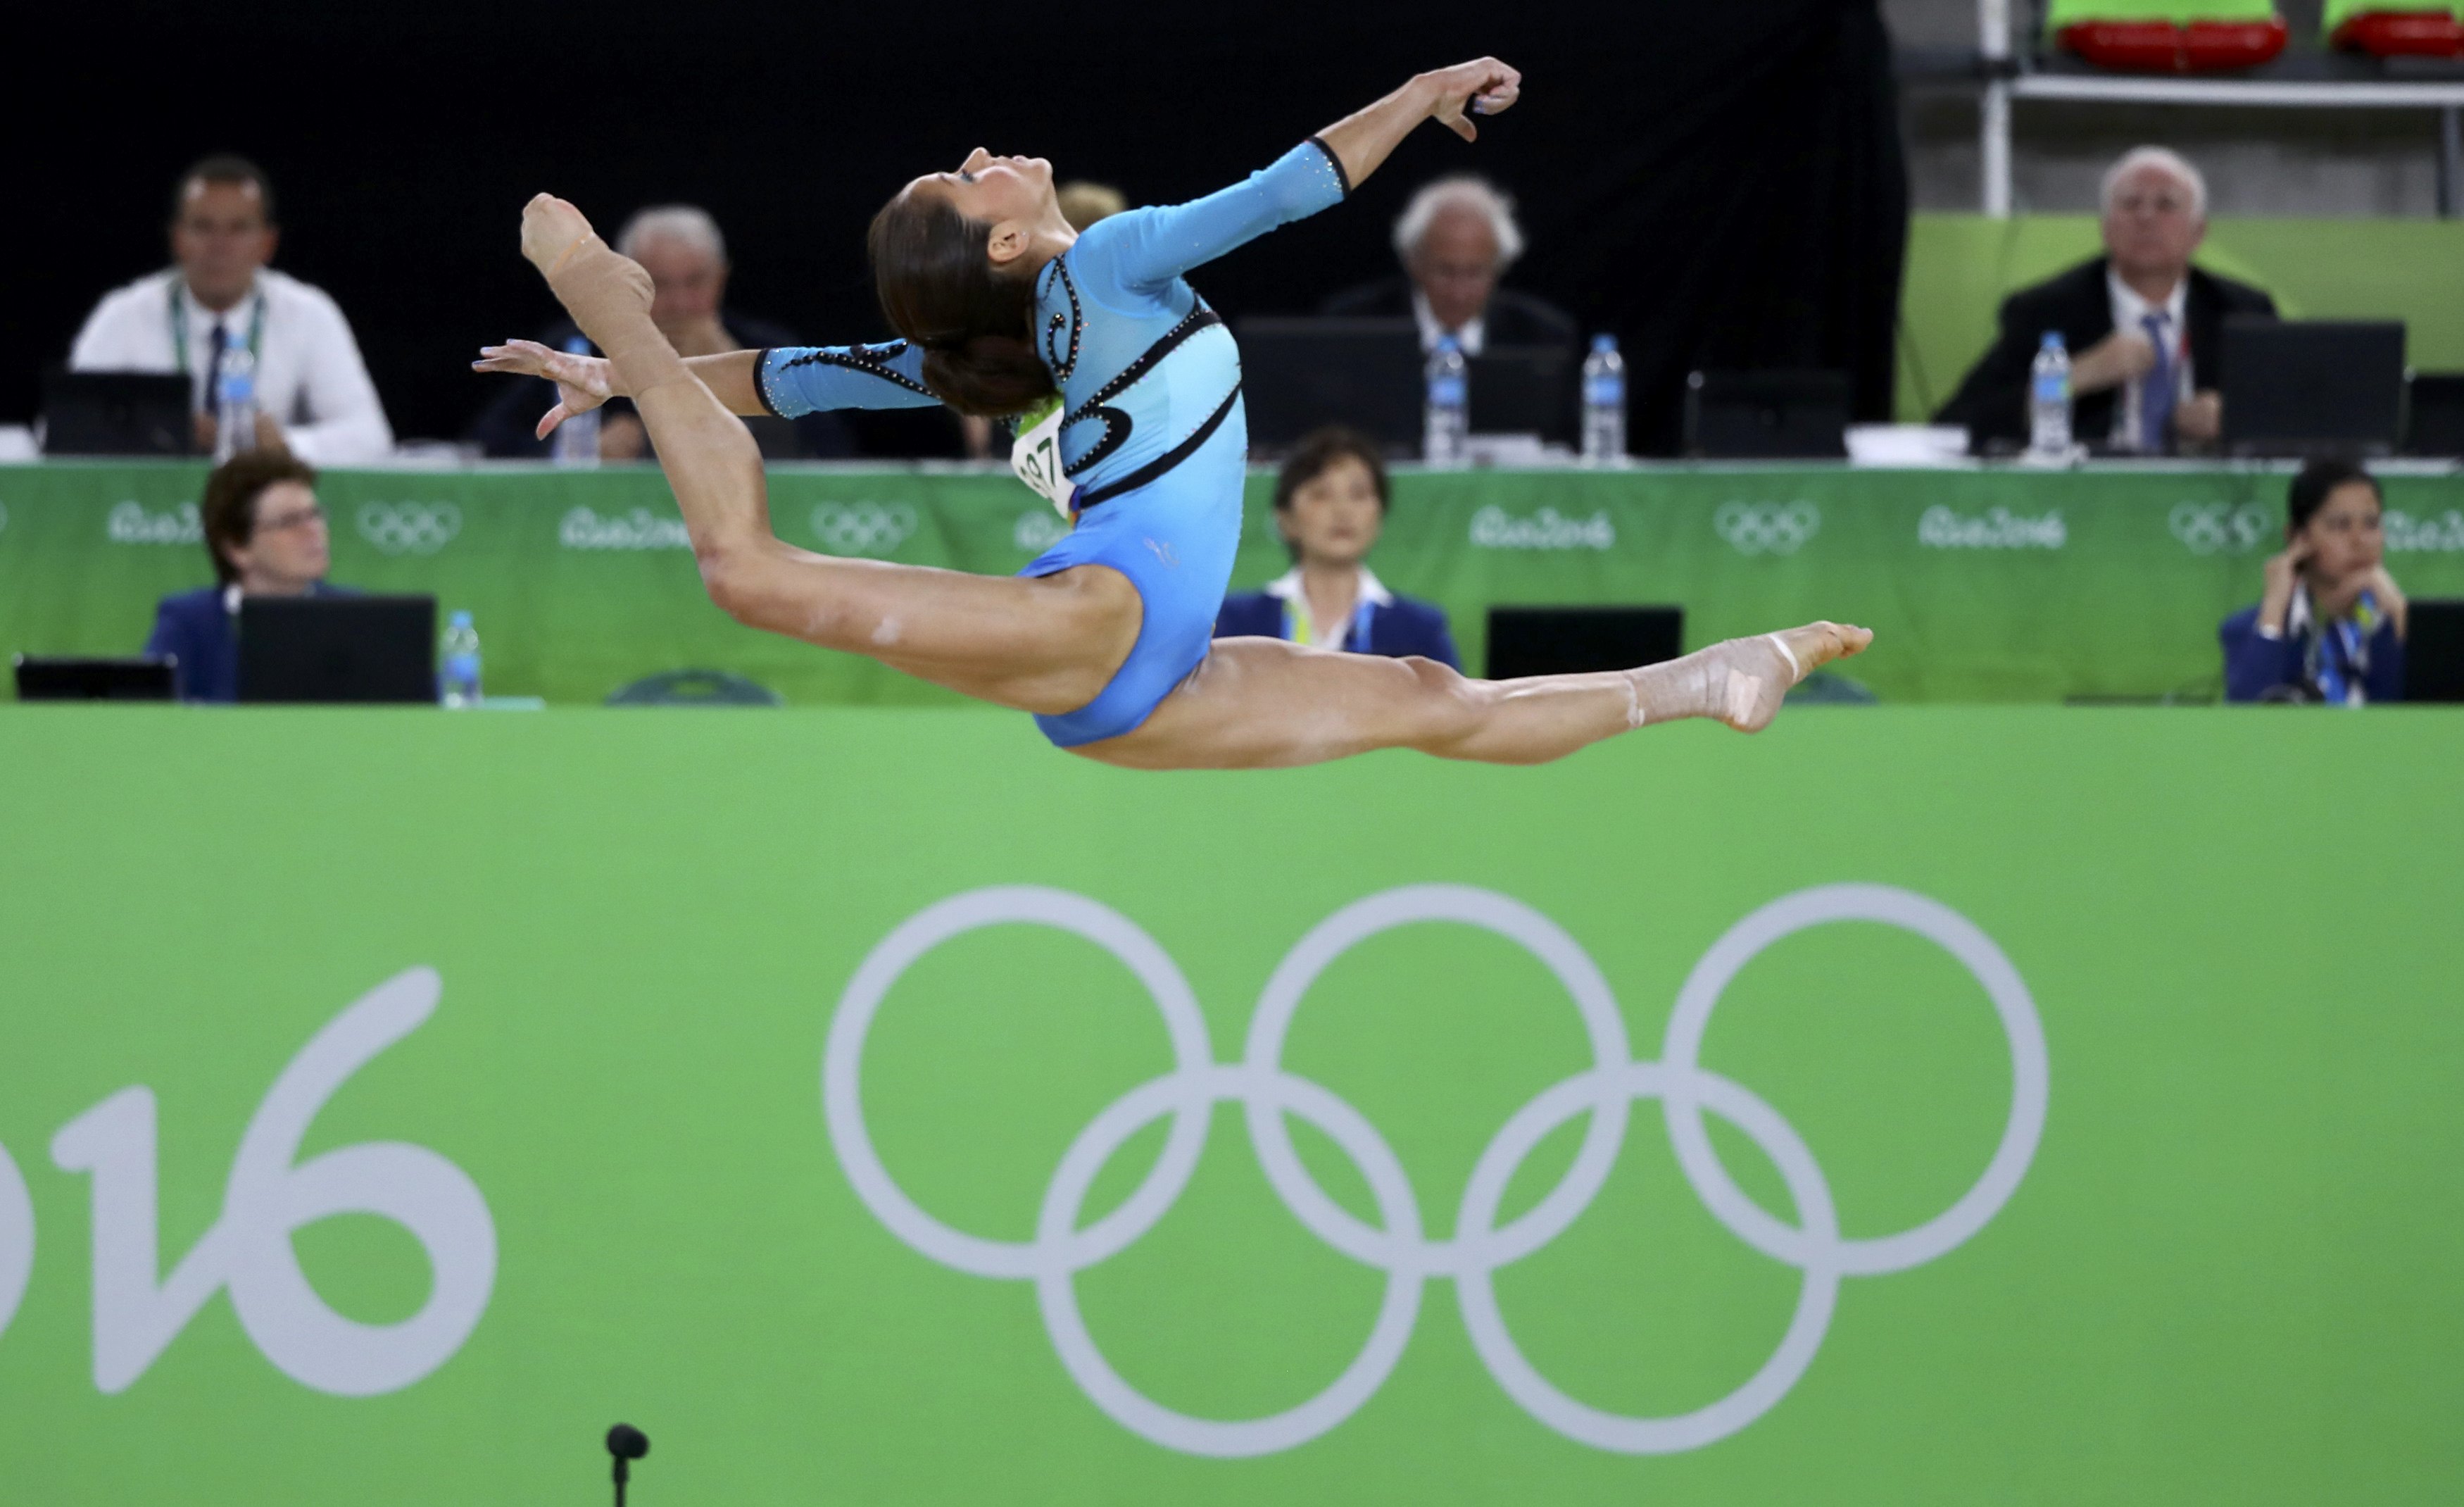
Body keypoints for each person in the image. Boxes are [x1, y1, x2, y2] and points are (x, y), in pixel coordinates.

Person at [477, 57, 1867, 768]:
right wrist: (1424, 90)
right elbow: (1285, 189)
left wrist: (632, 390)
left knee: (1436, 702)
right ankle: (612, 294)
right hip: (1106, 625)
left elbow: (791, 379)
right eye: (962, 184)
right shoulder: (1109, 265)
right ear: (1009, 245)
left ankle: (1712, 674)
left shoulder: (1038, 337)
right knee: (749, 572)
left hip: (1155, 683)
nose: (981, 158)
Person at [1937, 146, 2276, 454]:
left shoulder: (2241, 311)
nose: (2146, 218)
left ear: (2198, 232)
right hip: (2085, 491)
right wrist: (2073, 377)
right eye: (2130, 204)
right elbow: (1960, 420)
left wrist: (2234, 419)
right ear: (2106, 228)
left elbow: (2298, 418)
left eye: (2166, 205)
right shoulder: (2047, 309)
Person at [70, 156, 394, 465]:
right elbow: (63, 429)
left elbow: (371, 437)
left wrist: (285, 444)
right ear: (178, 239)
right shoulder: (124, 315)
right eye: (203, 227)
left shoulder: (309, 315)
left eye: (238, 228)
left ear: (267, 243)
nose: (220, 246)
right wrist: (159, 436)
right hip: (149, 506)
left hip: (263, 506)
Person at [468, 204, 853, 461]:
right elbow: (486, 442)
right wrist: (580, 453)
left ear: (721, 279)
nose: (680, 304)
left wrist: (732, 362)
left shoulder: (766, 346)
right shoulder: (574, 346)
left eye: (695, 282)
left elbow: (834, 453)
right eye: (660, 285)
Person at [1215, 426, 1458, 666]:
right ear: (1285, 519)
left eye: (1359, 494)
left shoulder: (1420, 630)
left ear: (1380, 515)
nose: (1343, 511)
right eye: (1321, 494)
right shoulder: (1237, 626)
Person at [144, 451, 353, 701]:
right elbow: (151, 715)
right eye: (291, 521)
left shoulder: (354, 617)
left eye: (315, 514)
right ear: (237, 548)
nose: (314, 530)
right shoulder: (188, 622)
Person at [1319, 174, 1576, 355]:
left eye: (1475, 273)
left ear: (1499, 266)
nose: (1459, 293)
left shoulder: (1542, 339)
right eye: (1445, 272)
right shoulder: (1354, 329)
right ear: (1413, 262)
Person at [2221, 458, 2408, 704]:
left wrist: (2402, 623)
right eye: (2340, 525)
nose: (2360, 541)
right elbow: (2243, 723)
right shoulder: (2249, 630)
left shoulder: (2391, 624)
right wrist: (2274, 607)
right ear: (2298, 538)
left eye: (2371, 524)